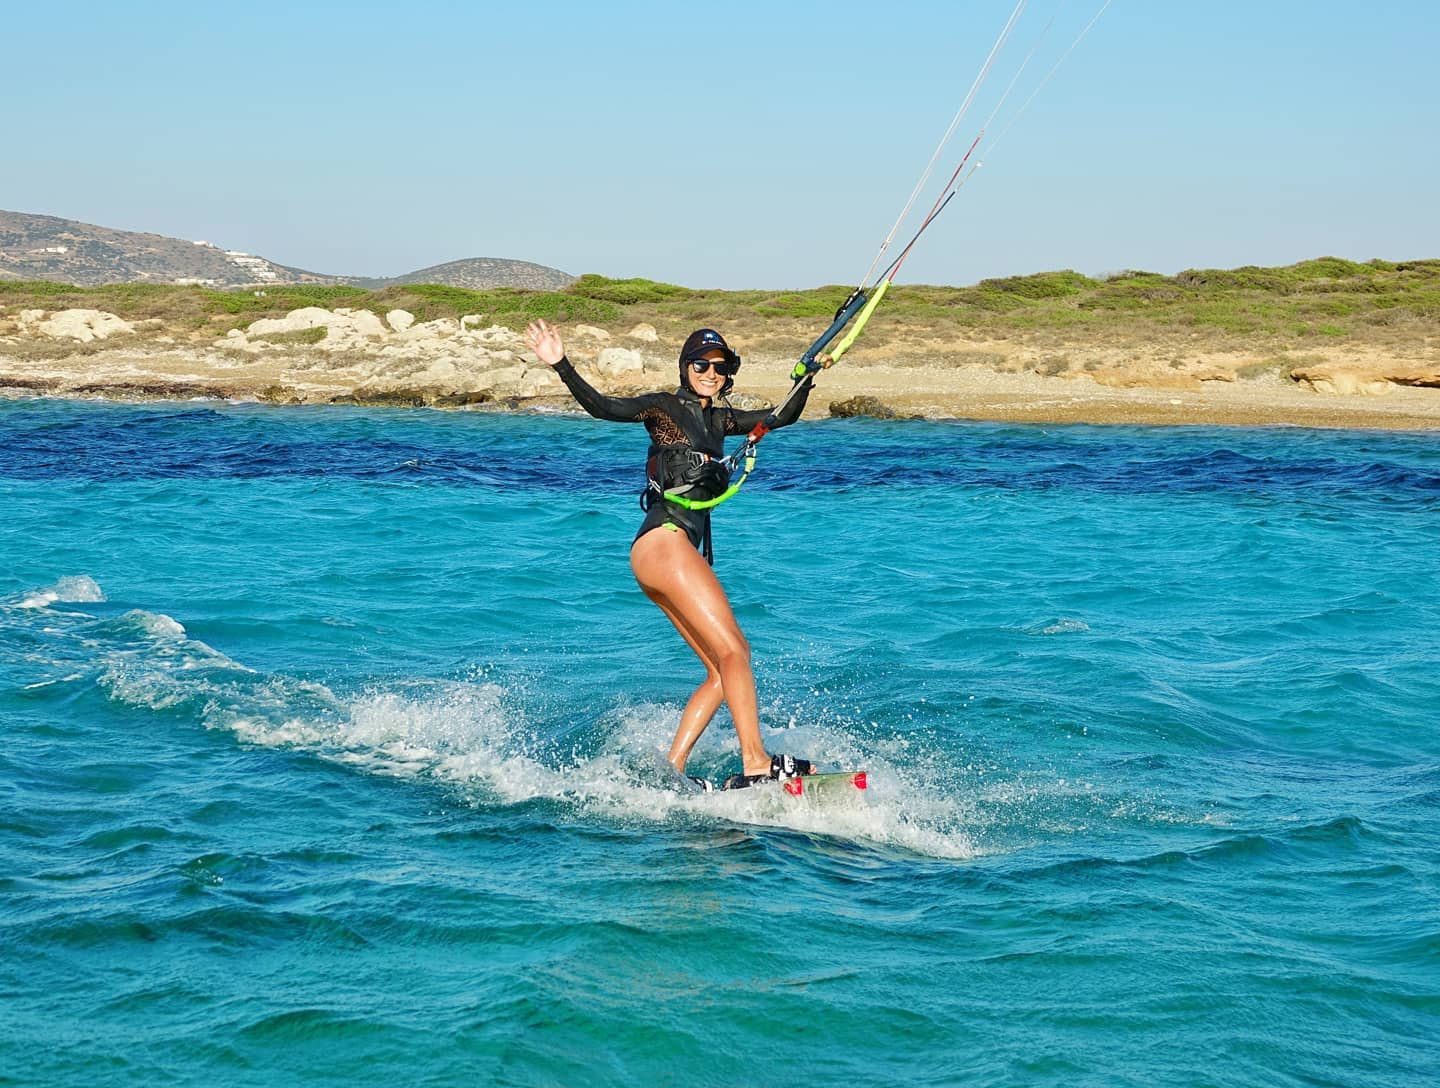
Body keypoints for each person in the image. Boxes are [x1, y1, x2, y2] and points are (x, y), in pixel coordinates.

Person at [523, 318, 816, 790]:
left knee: (722, 672)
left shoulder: (721, 421)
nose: (710, 373)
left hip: (658, 554)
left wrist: (807, 377)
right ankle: (756, 760)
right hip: (664, 540)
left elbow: (779, 416)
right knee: (736, 650)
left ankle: (671, 770)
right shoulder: (663, 409)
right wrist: (562, 365)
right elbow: (605, 408)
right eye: (700, 364)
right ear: (685, 367)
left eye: (719, 367)